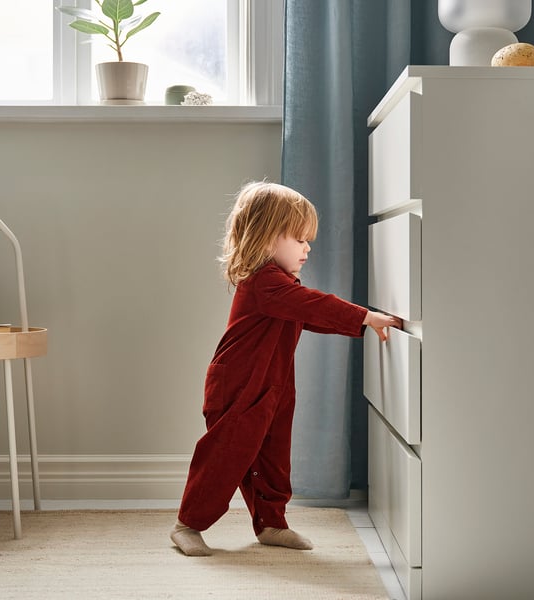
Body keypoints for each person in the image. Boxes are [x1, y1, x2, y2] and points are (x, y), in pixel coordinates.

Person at [170, 181, 402, 556]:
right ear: (266, 239)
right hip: (239, 386)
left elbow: (309, 314)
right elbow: (313, 306)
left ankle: (272, 523)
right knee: (226, 456)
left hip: (273, 384)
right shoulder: (265, 283)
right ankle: (188, 524)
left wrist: (362, 323)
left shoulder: (282, 284)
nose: (308, 248)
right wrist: (364, 317)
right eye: (299, 239)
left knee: (274, 455)